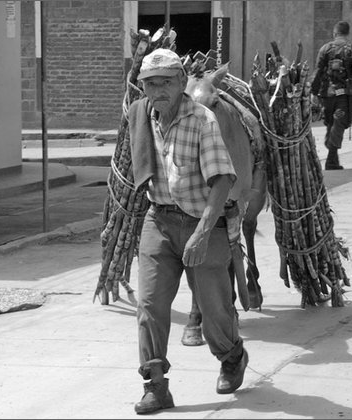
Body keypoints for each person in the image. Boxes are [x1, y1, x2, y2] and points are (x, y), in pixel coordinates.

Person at [128, 48, 248, 414]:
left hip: (203, 224)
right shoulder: (140, 117)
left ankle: (232, 356)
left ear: (182, 83)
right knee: (149, 306)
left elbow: (223, 181)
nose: (159, 89)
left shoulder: (202, 120)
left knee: (214, 310)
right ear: (143, 87)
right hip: (159, 220)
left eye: (166, 82)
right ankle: (156, 385)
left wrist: (201, 233)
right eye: (151, 83)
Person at [311, 20, 352, 170]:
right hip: (344, 96)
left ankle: (332, 160)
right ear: (347, 34)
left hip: (327, 95)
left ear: (334, 33)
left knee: (332, 123)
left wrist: (313, 93)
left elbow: (317, 72)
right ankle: (331, 155)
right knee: (338, 124)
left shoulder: (324, 49)